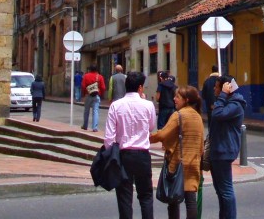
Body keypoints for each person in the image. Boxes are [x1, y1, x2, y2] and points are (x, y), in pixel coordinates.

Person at [104, 71, 156, 219]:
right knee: (145, 195)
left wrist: (111, 154)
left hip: (123, 154)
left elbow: (109, 137)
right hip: (142, 154)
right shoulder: (148, 105)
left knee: (124, 197)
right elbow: (151, 126)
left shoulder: (115, 106)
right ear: (140, 87)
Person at [149, 86, 204, 219]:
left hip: (178, 163)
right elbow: (201, 145)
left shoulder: (178, 115)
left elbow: (163, 134)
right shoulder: (198, 116)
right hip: (193, 163)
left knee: (173, 199)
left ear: (186, 100)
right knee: (191, 201)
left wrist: (148, 138)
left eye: (177, 97)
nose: (174, 99)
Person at [209, 75, 246, 219]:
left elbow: (217, 114)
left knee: (225, 190)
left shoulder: (235, 105)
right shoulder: (226, 103)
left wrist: (223, 95)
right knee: (220, 191)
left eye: (217, 86)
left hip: (224, 150)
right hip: (218, 149)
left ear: (226, 87)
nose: (214, 89)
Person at [81, 65, 105, 132]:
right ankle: (94, 127)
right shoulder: (99, 77)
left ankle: (85, 125)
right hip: (96, 95)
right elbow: (103, 87)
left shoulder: (86, 76)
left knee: (86, 111)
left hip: (88, 95)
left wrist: (83, 94)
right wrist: (101, 94)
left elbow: (83, 86)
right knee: (95, 111)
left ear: (90, 69)